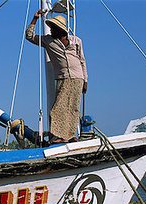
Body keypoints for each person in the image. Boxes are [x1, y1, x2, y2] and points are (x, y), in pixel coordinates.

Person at [26, 10, 88, 143]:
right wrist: (35, 19)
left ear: (60, 30)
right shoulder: (48, 41)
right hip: (63, 77)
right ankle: (58, 136)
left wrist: (86, 80)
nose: (51, 30)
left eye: (53, 28)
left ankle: (70, 136)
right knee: (58, 108)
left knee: (73, 108)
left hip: (77, 77)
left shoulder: (76, 41)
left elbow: (82, 60)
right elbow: (29, 36)